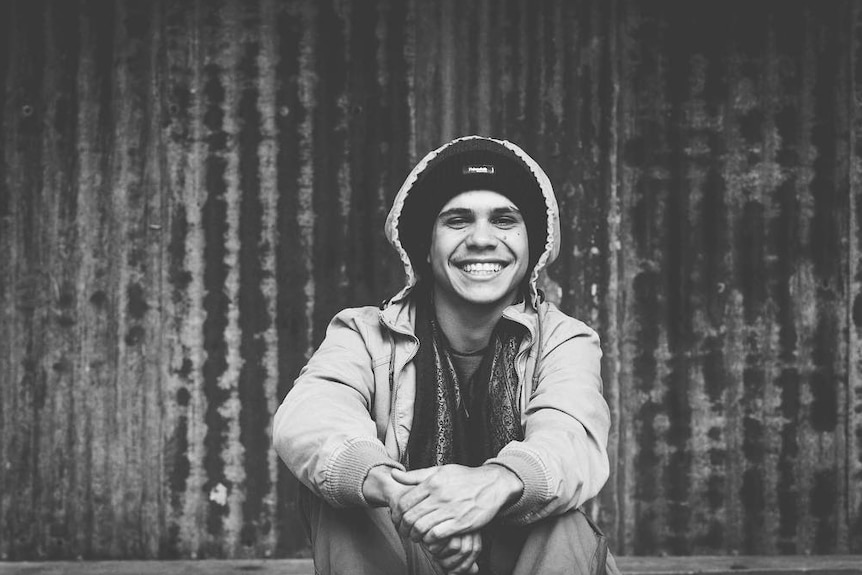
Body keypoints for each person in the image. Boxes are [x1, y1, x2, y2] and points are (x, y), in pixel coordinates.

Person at [273, 136, 618, 574]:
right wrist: (411, 500)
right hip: (411, 547)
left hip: (522, 560)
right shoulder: (364, 333)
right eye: (457, 220)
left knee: (561, 520)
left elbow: (569, 438)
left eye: (504, 220)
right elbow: (309, 416)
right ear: (425, 245)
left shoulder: (565, 339)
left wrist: (489, 487)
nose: (481, 239)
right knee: (342, 499)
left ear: (532, 243)